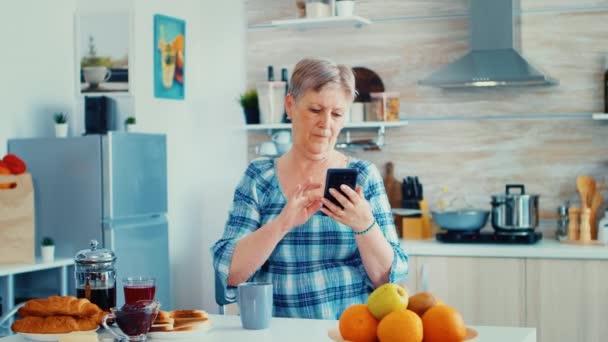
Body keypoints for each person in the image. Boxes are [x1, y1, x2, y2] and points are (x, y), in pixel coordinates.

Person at [211, 58, 408, 320]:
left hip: (349, 330)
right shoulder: (259, 178)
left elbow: (389, 282)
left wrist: (365, 225)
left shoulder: (364, 177)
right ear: (290, 106)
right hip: (279, 332)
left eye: (337, 114)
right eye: (315, 110)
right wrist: (282, 223)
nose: (326, 124)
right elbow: (230, 271)